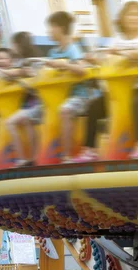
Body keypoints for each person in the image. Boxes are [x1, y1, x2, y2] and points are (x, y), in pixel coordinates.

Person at [83, 1, 138, 161]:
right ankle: (89, 150)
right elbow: (106, 60)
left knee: (136, 103)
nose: (134, 18)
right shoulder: (116, 40)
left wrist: (118, 52)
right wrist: (93, 59)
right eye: (130, 14)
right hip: (118, 91)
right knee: (93, 106)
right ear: (123, 18)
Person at [45, 11, 90, 162]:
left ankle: (67, 155)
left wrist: (64, 64)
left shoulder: (73, 48)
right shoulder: (53, 52)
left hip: (79, 96)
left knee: (65, 110)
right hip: (57, 96)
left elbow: (82, 70)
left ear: (60, 28)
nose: (49, 31)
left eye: (51, 27)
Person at [5, 32, 41, 165]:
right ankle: (29, 157)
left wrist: (11, 73)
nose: (12, 46)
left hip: (36, 100)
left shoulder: (30, 61)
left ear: (19, 44)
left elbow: (19, 73)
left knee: (11, 122)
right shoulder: (19, 61)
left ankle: (25, 158)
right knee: (26, 121)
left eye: (13, 44)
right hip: (27, 101)